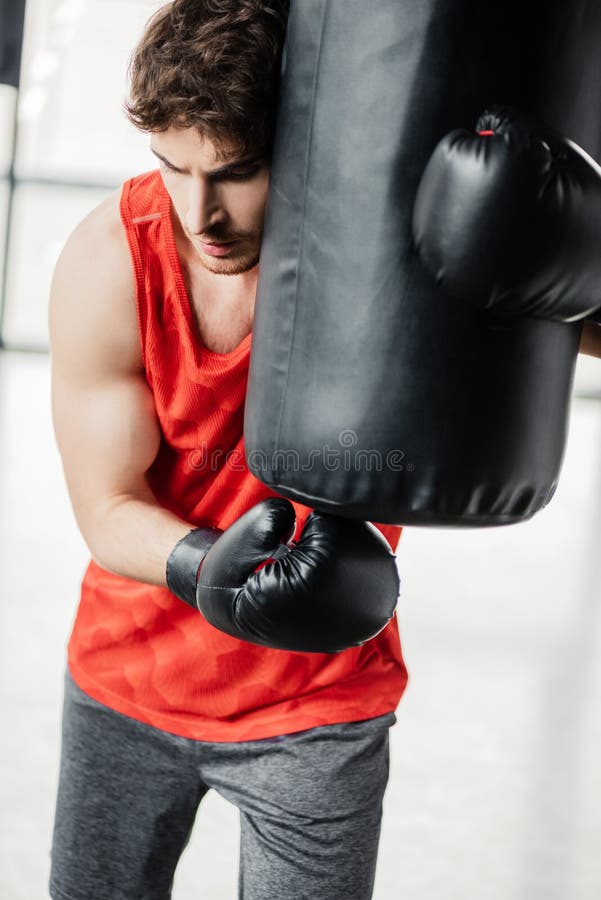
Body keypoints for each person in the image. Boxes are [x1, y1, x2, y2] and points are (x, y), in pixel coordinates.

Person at [47, 2, 409, 898]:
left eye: (237, 172)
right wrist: (205, 562)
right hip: (126, 685)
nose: (201, 212)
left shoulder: (375, 249)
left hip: (316, 705)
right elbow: (106, 507)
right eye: (175, 168)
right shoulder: (110, 257)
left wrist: (536, 261)